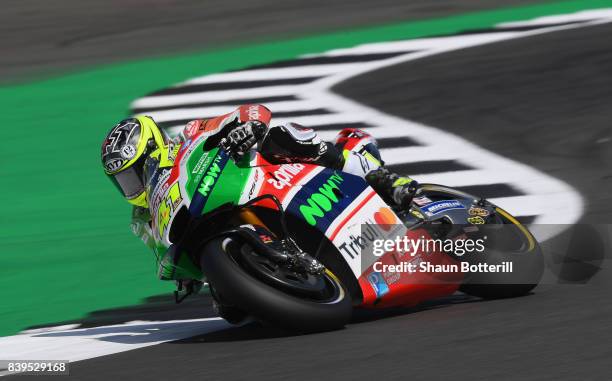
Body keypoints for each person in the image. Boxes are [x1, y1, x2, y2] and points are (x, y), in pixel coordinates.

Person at [101, 104, 419, 251]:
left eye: (136, 171)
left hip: (260, 176)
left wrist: (245, 128)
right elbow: (163, 253)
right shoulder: (142, 219)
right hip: (217, 222)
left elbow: (253, 111)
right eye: (124, 180)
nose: (135, 184)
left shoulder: (190, 133)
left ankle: (378, 176)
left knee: (282, 136)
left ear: (155, 147)